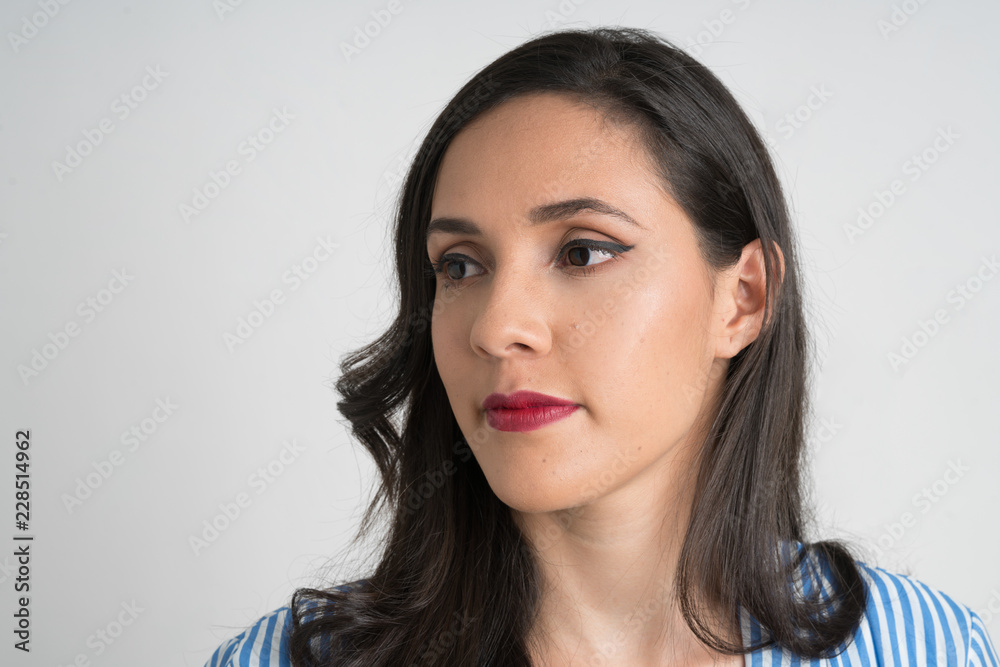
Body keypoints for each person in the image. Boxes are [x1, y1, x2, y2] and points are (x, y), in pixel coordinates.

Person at [206, 26, 998, 666]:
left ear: (744, 298)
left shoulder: (925, 649)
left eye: (583, 251)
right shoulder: (283, 659)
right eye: (460, 265)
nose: (495, 325)